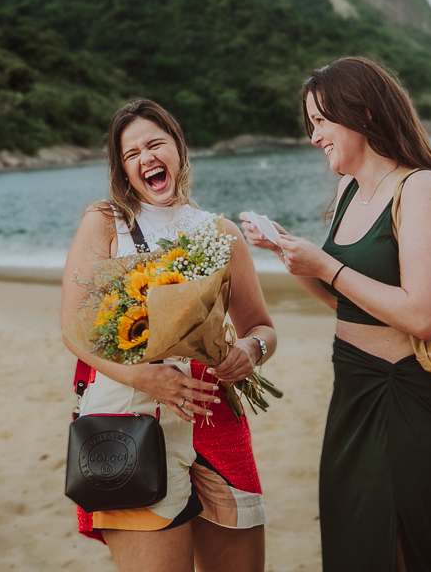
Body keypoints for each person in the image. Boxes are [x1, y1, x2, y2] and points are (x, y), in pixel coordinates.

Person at [242, 57, 431, 572]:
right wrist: (285, 252)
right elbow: (345, 302)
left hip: (408, 398)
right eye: (310, 124)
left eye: (321, 121)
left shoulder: (424, 189)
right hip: (352, 393)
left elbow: (425, 317)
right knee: (353, 549)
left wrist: (326, 264)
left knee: (406, 553)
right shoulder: (349, 191)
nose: (314, 135)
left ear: (363, 112)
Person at [61, 99, 276, 572]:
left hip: (216, 416)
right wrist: (144, 379)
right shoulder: (106, 221)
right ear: (123, 169)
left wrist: (249, 349)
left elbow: (261, 326)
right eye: (131, 153)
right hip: (131, 418)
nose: (145, 157)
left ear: (178, 149)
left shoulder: (221, 233)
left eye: (155, 144)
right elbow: (74, 331)